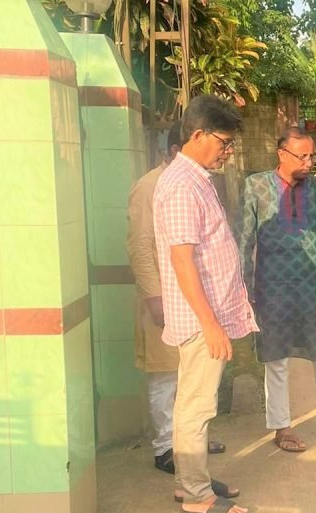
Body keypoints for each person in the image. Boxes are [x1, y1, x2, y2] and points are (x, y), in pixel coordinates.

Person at [154, 95, 257, 513]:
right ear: (197, 135)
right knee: (196, 405)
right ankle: (197, 494)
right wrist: (211, 324)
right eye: (223, 142)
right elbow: (182, 260)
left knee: (194, 402)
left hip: (207, 314)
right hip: (201, 319)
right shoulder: (181, 186)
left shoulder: (195, 178)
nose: (227, 151)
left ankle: (189, 481)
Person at [236, 127, 316, 453]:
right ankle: (282, 427)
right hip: (271, 287)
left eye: (313, 155)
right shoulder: (256, 187)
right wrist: (242, 285)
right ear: (282, 154)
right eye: (303, 156)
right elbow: (244, 238)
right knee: (276, 359)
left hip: (313, 286)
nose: (310, 162)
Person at [127, 120, 226, 475]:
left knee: (188, 378)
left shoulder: (194, 183)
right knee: (165, 375)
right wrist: (154, 296)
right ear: (176, 150)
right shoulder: (149, 187)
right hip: (163, 295)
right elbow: (139, 245)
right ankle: (165, 447)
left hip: (185, 296)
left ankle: (188, 445)